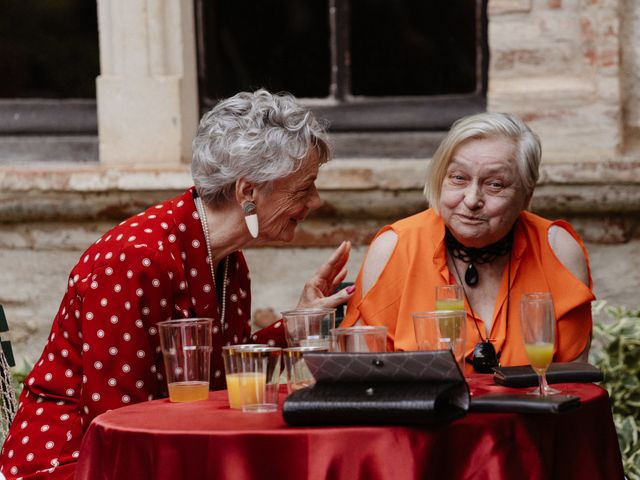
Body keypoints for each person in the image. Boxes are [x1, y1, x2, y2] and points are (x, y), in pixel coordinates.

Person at [0, 89, 354, 479]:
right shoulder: (137, 259)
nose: (316, 201)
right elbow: (118, 423)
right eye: (304, 188)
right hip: (75, 464)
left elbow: (222, 387)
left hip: (160, 452)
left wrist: (296, 326)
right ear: (248, 192)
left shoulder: (228, 261)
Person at [341, 112, 593, 374]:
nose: (472, 199)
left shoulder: (557, 249)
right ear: (440, 179)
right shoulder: (394, 248)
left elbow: (574, 383)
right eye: (458, 178)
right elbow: (365, 382)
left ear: (526, 193)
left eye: (495, 184)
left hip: (532, 415)